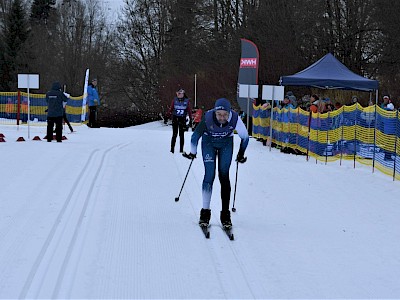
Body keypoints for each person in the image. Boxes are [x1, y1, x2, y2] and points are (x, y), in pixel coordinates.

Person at [182, 98, 249, 229]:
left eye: (225, 114)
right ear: (215, 112)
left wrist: (240, 154)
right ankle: (205, 213)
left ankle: (225, 215)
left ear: (230, 113)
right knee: (209, 175)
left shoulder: (235, 118)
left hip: (226, 144)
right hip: (209, 143)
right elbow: (195, 137)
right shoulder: (208, 117)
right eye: (219, 114)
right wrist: (193, 152)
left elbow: (245, 137)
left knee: (224, 176)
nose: (222, 117)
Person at [166, 88, 192, 153]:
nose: (179, 95)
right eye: (178, 94)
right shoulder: (174, 100)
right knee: (174, 134)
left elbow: (189, 110)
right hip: (175, 118)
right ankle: (172, 149)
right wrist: (167, 116)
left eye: (180, 94)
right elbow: (171, 109)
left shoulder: (186, 101)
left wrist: (190, 119)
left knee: (181, 134)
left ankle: (181, 149)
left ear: (183, 94)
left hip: (182, 119)